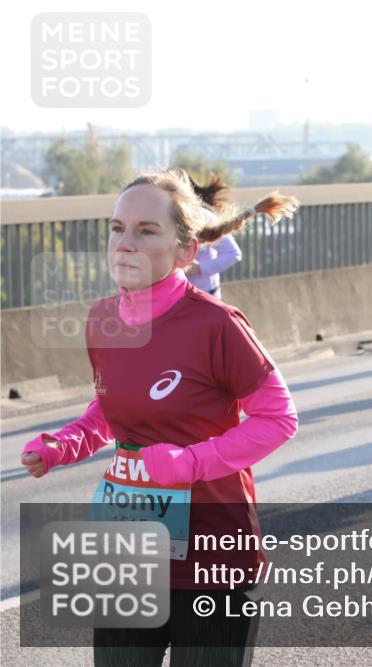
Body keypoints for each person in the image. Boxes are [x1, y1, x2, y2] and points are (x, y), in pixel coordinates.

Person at [20, 168, 300, 667]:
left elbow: (278, 417)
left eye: (147, 231)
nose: (125, 243)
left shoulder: (218, 326)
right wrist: (65, 444)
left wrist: (189, 463)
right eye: (116, 228)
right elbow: (109, 409)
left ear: (185, 252)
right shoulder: (103, 320)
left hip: (213, 552)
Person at [183, 174, 243, 299]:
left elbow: (233, 253)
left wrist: (200, 268)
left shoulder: (205, 217)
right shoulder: (161, 220)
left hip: (206, 295)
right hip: (174, 300)